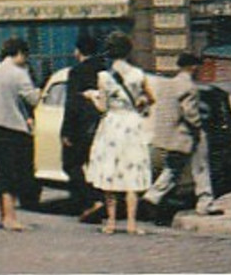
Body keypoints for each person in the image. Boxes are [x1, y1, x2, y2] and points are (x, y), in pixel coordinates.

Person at [85, 31, 154, 235]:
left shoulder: (104, 77)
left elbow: (103, 107)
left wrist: (92, 97)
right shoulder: (138, 75)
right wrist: (139, 103)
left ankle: (112, 222)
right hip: (132, 124)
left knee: (110, 172)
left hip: (113, 125)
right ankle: (132, 223)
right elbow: (150, 98)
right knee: (132, 172)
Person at [142, 52, 222, 222]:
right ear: (193, 67)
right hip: (187, 135)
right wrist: (200, 128)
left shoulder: (168, 85)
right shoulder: (189, 87)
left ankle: (152, 197)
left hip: (170, 136)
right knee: (201, 167)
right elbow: (190, 113)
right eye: (197, 66)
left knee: (173, 168)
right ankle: (205, 202)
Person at [0, 37, 41, 231]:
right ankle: (11, 218)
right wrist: (40, 91)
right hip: (14, 129)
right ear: (20, 53)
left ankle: (3, 216)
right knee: (13, 175)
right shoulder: (19, 73)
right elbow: (32, 99)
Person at [62, 33, 108, 222]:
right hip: (103, 123)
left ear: (79, 51)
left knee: (71, 164)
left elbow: (71, 104)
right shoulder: (104, 71)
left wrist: (66, 131)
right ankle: (102, 199)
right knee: (96, 165)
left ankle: (91, 201)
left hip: (81, 126)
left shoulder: (76, 72)